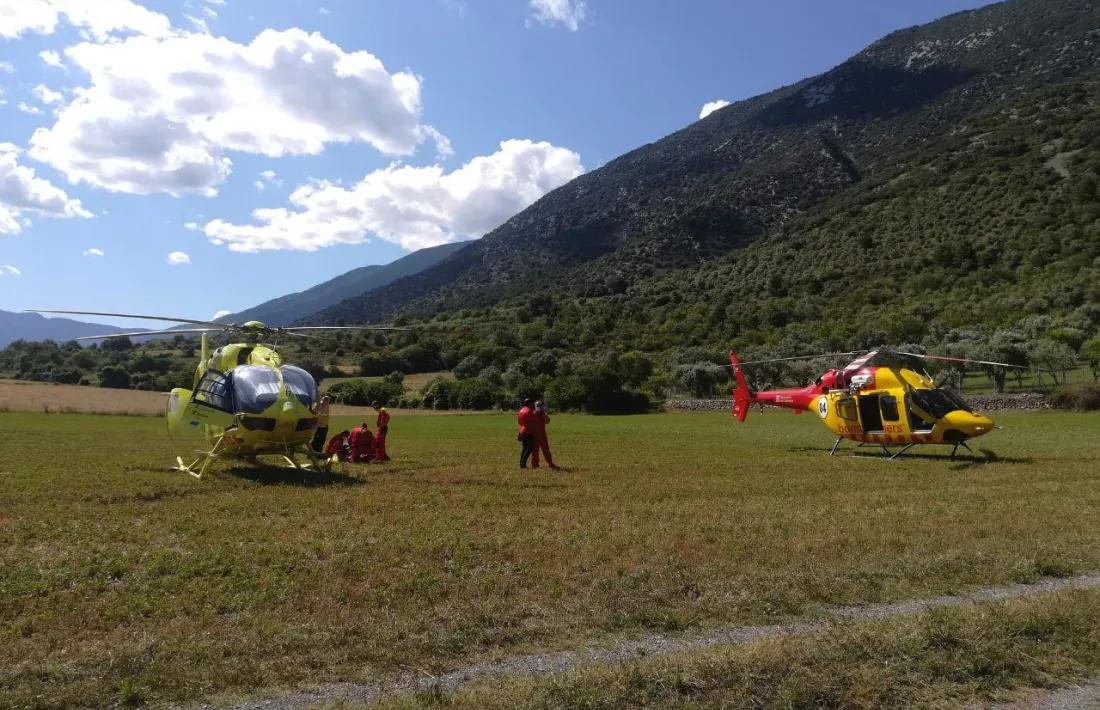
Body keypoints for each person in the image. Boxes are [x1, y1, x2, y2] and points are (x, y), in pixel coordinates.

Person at [530, 401, 559, 470]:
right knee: (535, 451)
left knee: (546, 450)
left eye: (540, 405)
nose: (539, 407)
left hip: (543, 435)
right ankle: (535, 465)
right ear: (535, 406)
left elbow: (547, 421)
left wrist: (545, 415)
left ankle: (550, 463)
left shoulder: (543, 414)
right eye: (538, 406)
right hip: (535, 435)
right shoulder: (532, 414)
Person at [517, 398, 536, 469]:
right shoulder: (529, 411)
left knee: (524, 448)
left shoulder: (521, 410)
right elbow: (533, 422)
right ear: (529, 403)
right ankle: (523, 464)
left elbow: (519, 422)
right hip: (528, 432)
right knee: (529, 448)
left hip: (522, 431)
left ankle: (521, 463)